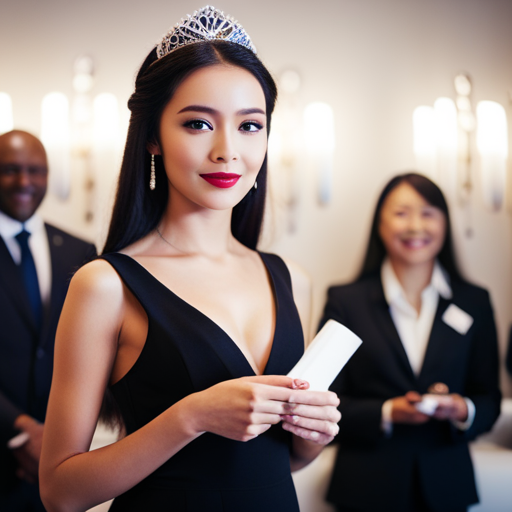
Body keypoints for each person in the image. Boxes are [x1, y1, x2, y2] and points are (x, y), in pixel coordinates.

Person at [39, 6, 341, 512]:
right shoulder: (106, 284)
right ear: (153, 136)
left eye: (250, 126)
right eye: (199, 123)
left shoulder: (291, 280)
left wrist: (312, 435)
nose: (228, 151)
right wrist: (192, 416)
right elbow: (60, 492)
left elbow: (276, 460)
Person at [319, 172, 501, 512]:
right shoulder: (345, 301)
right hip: (364, 486)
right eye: (401, 213)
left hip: (447, 485)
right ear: (380, 223)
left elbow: (488, 398)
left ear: (445, 223)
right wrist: (387, 412)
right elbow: (324, 400)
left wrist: (463, 409)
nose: (415, 225)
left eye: (428, 213)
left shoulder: (474, 302)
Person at [0, 129, 96, 511]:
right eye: (10, 170)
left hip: (61, 462)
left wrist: (58, 436)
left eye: (35, 171)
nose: (24, 182)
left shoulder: (79, 250)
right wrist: (21, 426)